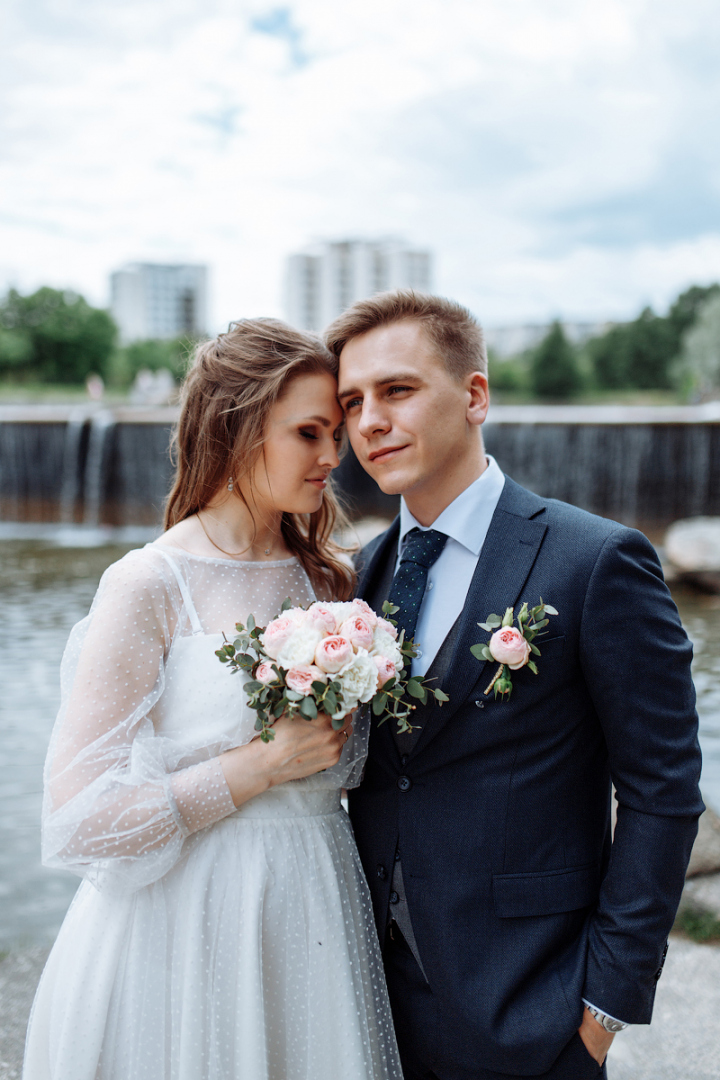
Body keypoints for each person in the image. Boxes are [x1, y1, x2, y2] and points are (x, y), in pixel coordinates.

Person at [326, 291, 704, 1080]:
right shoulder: (360, 577)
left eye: (396, 390)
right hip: (369, 1003)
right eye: (351, 401)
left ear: (475, 396)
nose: (368, 421)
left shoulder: (596, 561)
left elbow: (662, 791)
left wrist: (603, 1008)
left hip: (533, 1009)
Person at [23, 319, 402, 1080]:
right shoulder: (147, 584)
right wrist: (253, 770)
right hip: (184, 921)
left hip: (311, 901)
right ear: (237, 430)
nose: (334, 456)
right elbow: (78, 819)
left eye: (336, 432)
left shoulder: (331, 581)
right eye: (309, 432)